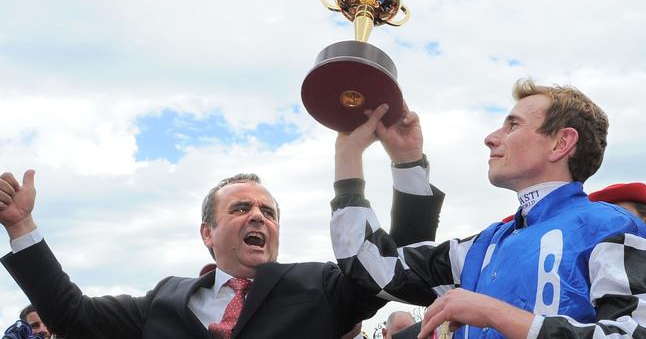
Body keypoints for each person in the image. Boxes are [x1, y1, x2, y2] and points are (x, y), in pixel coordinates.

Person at [0, 115, 443, 339]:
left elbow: (399, 271)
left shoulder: (322, 286)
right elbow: (71, 317)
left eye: (268, 212)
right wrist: (21, 225)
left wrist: (406, 163)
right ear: (207, 233)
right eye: (241, 208)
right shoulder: (163, 301)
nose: (258, 217)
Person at [330, 79, 646, 339]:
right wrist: (360, 157)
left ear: (561, 143)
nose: (491, 138)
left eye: (512, 125)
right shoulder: (482, 246)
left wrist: (493, 313)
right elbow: (370, 268)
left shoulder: (612, 227)